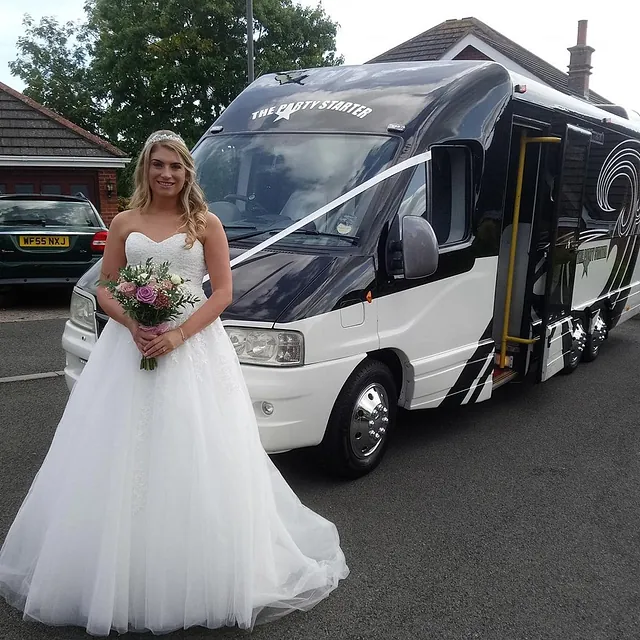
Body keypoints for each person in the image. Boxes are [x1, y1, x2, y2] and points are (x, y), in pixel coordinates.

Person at [0, 130, 349, 636]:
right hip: (130, 348)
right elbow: (104, 285)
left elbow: (223, 292)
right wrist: (133, 323)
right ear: (145, 169)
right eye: (158, 165)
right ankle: (115, 570)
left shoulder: (205, 223)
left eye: (176, 166)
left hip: (193, 349)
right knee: (117, 451)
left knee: (195, 448)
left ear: (188, 172)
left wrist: (178, 334)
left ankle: (197, 568)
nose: (166, 174)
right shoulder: (123, 222)